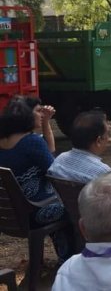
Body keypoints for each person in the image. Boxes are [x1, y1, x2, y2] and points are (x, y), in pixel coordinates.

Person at [0, 98, 74, 260]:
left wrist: (46, 122)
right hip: (35, 214)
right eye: (38, 111)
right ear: (25, 115)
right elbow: (56, 173)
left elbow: (49, 151)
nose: (42, 114)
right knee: (76, 207)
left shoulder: (6, 142)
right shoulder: (30, 142)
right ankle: (68, 259)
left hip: (10, 218)